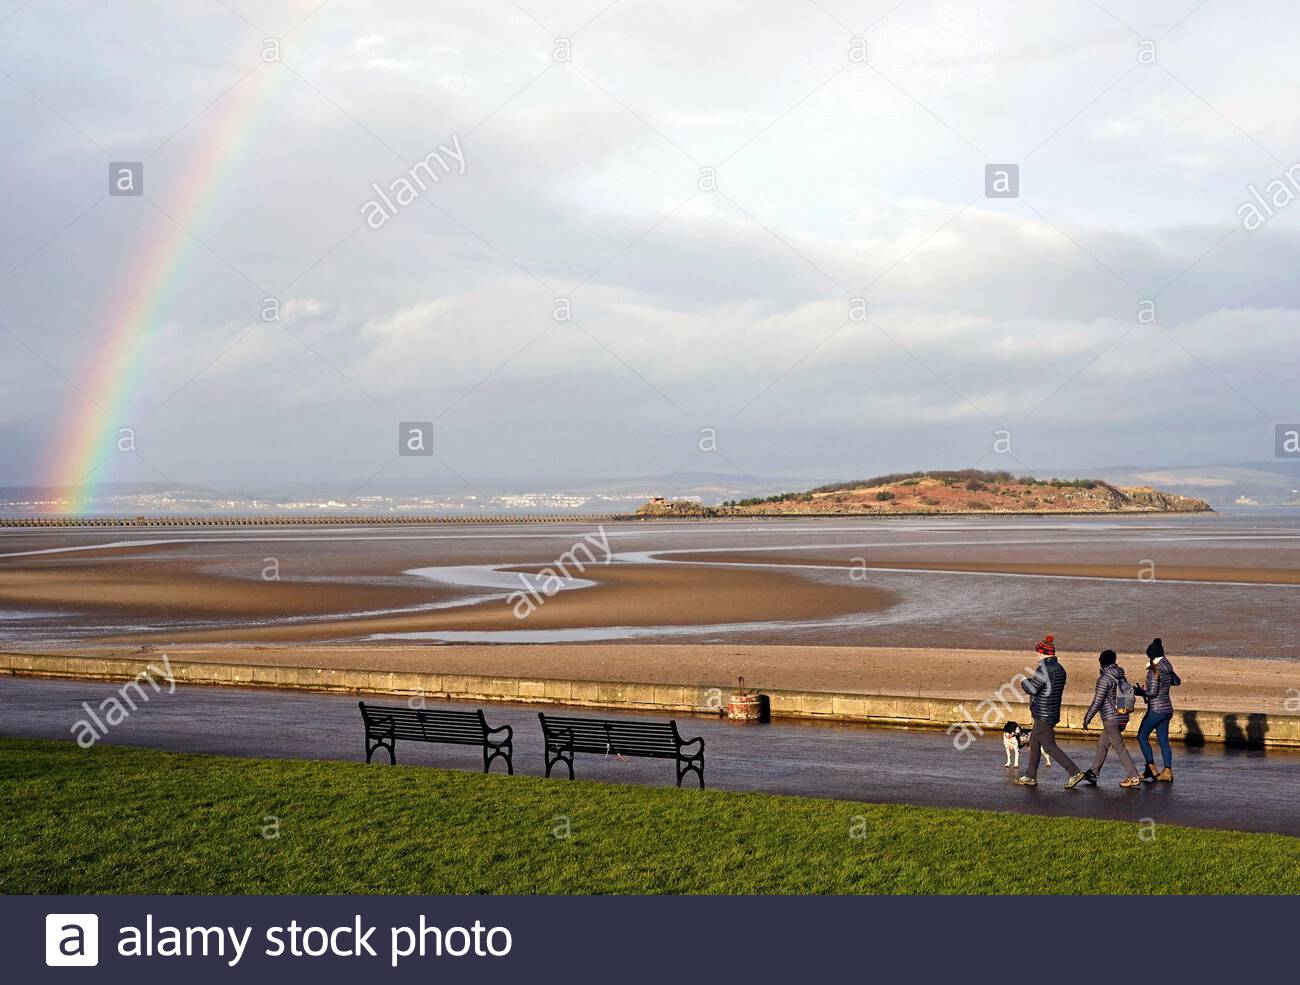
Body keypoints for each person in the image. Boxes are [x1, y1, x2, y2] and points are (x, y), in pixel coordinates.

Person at [1014, 634, 1087, 789]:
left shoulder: (1044, 669)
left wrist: (1023, 681)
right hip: (1051, 711)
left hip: (1043, 713)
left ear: (1043, 653)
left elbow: (1032, 689)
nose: (1036, 655)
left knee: (1049, 746)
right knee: (1034, 742)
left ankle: (1074, 772)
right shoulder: (1060, 669)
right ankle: (1030, 775)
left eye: (1037, 652)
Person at [1081, 649, 1141, 788]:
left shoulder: (1104, 679)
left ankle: (1133, 776)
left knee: (1119, 747)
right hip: (1122, 716)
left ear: (1101, 662)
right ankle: (1093, 773)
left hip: (1111, 719)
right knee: (1103, 744)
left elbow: (1098, 701)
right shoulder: (1120, 676)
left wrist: (1087, 718)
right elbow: (1123, 696)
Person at [1134, 637, 1180, 782]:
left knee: (1141, 736)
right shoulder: (1168, 666)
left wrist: (1139, 691)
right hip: (1167, 709)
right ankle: (1167, 771)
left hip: (1156, 710)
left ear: (1151, 656)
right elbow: (1177, 681)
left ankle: (1151, 768)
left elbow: (1152, 693)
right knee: (1163, 741)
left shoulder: (1154, 671)